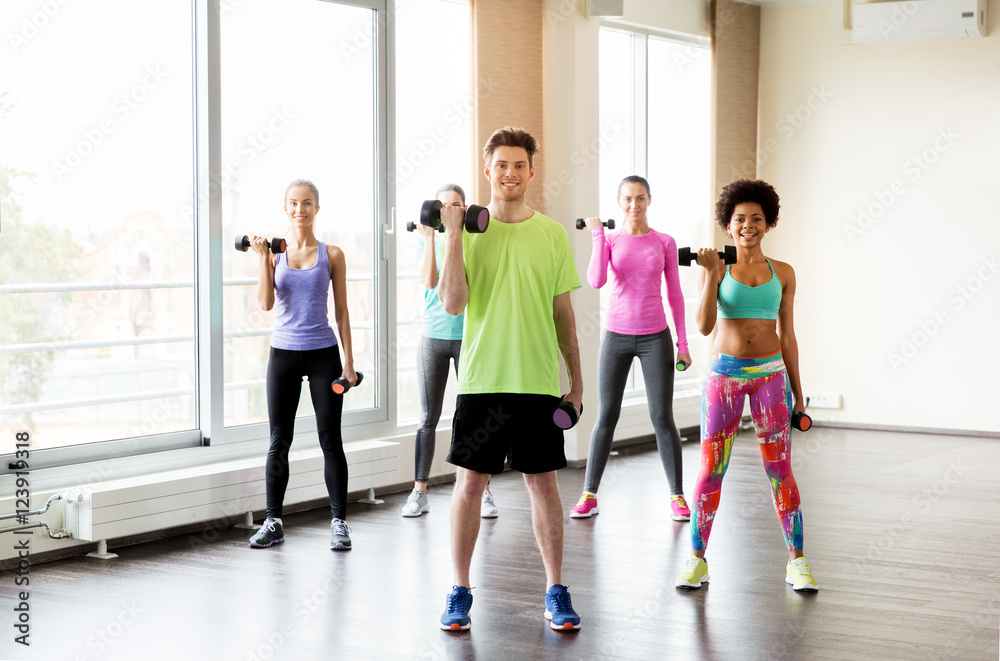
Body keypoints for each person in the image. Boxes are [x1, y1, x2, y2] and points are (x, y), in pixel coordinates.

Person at [436, 127, 584, 631]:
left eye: (519, 165)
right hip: (482, 381)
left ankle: (556, 590)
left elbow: (564, 315)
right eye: (502, 165)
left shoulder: (552, 234)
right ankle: (460, 589)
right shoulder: (465, 234)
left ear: (531, 172)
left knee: (543, 484)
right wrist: (454, 233)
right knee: (469, 483)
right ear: (488, 171)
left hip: (539, 381)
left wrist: (577, 384)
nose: (511, 173)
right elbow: (453, 303)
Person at [674, 178, 817, 591]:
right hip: (725, 377)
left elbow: (788, 335)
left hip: (771, 377)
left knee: (780, 469)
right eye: (740, 219)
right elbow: (702, 327)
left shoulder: (783, 272)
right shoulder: (719, 267)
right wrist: (711, 274)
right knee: (710, 470)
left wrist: (800, 395)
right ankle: (697, 560)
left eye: (756, 218)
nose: (748, 225)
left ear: (768, 223)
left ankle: (797, 562)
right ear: (728, 224)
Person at [570, 175, 692, 522]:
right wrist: (597, 237)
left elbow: (675, 294)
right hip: (616, 337)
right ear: (619, 202)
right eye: (627, 199)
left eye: (640, 198)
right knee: (606, 415)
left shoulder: (664, 242)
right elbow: (596, 281)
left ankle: (677, 496)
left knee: (661, 417)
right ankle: (589, 494)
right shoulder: (609, 238)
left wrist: (683, 344)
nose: (634, 205)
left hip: (656, 337)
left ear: (649, 200)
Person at [247, 179, 359, 552]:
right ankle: (273, 521)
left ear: (317, 208)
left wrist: (349, 362)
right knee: (280, 441)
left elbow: (341, 312)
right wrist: (263, 260)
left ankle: (339, 522)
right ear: (285, 209)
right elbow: (264, 304)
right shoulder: (273, 254)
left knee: (330, 439)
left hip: (323, 352)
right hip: (283, 353)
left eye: (307, 203)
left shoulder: (333, 254)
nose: (300, 209)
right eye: (293, 203)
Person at [401, 184, 499, 519]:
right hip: (433, 338)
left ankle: (483, 490)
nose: (450, 211)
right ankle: (419, 491)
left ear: (465, 209)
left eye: (456, 205)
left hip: (469, 338)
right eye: (444, 206)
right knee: (428, 417)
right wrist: (429, 237)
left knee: (472, 416)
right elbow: (429, 281)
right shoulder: (425, 242)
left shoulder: (472, 241)